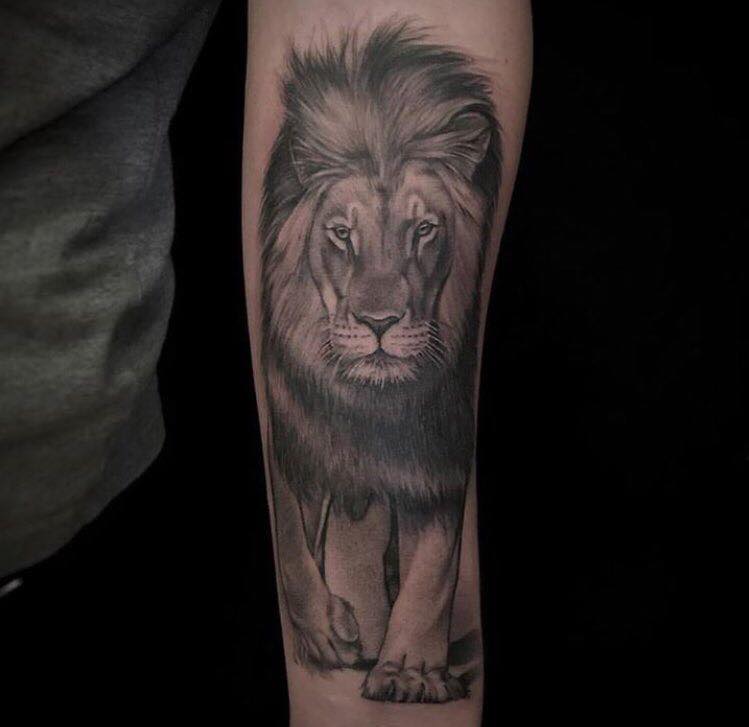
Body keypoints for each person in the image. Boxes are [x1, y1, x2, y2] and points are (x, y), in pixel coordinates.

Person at [1, 2, 532, 725]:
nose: (381, 303)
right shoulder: (314, 237)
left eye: (422, 234)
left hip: (66, 536)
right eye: (341, 236)